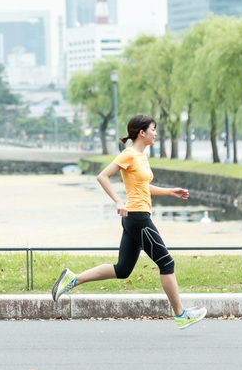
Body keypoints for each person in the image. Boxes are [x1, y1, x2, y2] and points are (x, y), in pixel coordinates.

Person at [50, 114, 206, 329]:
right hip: (137, 217)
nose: (156, 133)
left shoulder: (142, 156)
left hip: (137, 217)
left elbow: (143, 187)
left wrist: (170, 192)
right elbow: (102, 176)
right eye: (153, 129)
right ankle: (181, 314)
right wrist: (117, 201)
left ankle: (72, 279)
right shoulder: (129, 154)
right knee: (167, 263)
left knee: (123, 270)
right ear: (142, 132)